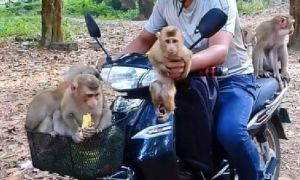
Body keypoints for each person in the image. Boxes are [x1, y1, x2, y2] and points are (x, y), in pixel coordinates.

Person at [98, 0, 261, 179]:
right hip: (186, 79)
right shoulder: (165, 3)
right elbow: (144, 40)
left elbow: (219, 49)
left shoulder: (220, 2)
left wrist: (186, 64)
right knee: (144, 122)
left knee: (231, 133)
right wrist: (115, 61)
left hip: (230, 79)